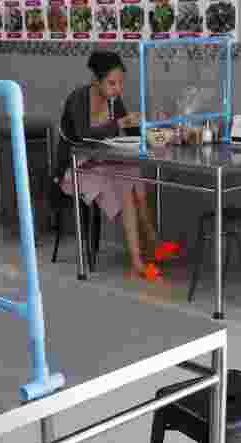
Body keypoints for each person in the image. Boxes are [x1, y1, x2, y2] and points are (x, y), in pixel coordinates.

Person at [56, 50, 160, 278]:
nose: (118, 89)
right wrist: (120, 123)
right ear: (96, 80)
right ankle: (140, 256)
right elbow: (84, 136)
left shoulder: (114, 101)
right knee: (126, 185)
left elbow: (126, 132)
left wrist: (141, 125)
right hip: (75, 167)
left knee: (134, 173)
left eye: (121, 83)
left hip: (104, 161)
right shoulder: (78, 99)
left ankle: (148, 243)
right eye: (112, 83)